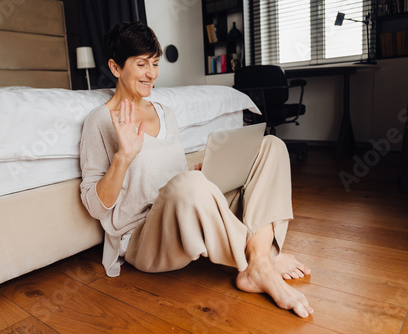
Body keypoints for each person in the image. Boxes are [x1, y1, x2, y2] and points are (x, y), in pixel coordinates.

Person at [79, 21, 314, 318]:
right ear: (115, 67)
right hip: (144, 236)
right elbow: (95, 207)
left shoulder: (165, 112)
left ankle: (258, 263)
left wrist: (203, 174)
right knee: (188, 184)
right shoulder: (99, 121)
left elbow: (173, 175)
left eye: (155, 63)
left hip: (184, 210)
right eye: (141, 64)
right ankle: (263, 261)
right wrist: (123, 157)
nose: (152, 74)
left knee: (271, 147)